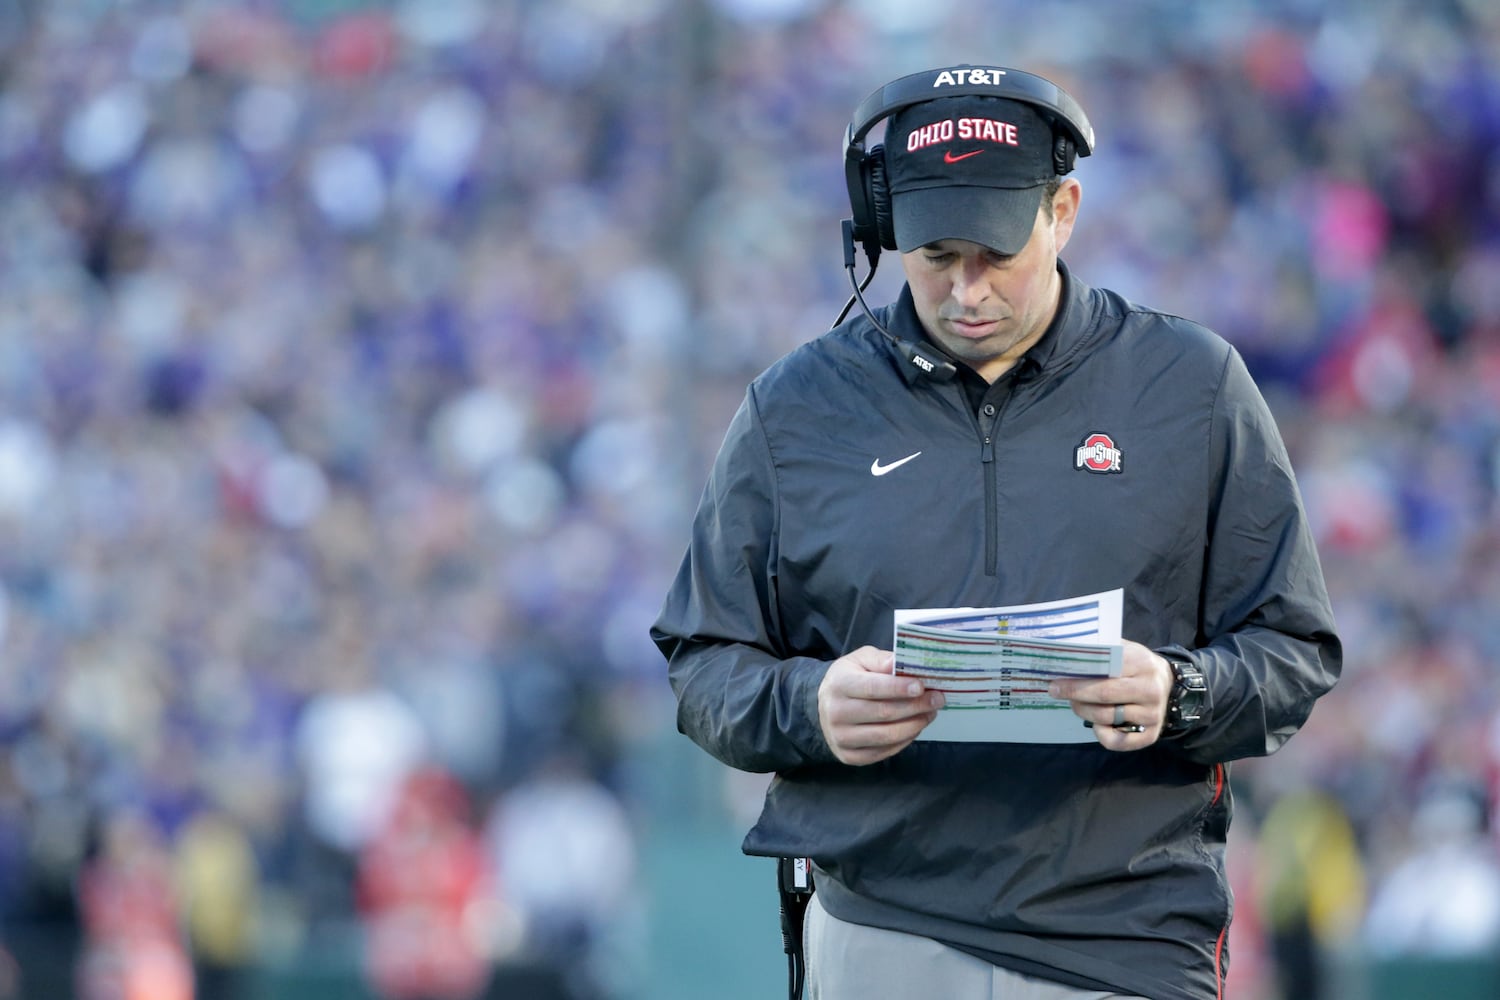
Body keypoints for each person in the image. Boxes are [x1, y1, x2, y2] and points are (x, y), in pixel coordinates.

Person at [651, 63, 1341, 1000]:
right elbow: (703, 665)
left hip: (1126, 930)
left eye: (996, 255)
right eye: (937, 258)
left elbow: (1295, 651)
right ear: (886, 234)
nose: (967, 290)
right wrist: (809, 706)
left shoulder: (1193, 387)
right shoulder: (797, 408)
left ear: (1063, 211)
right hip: (879, 923)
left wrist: (1178, 691)